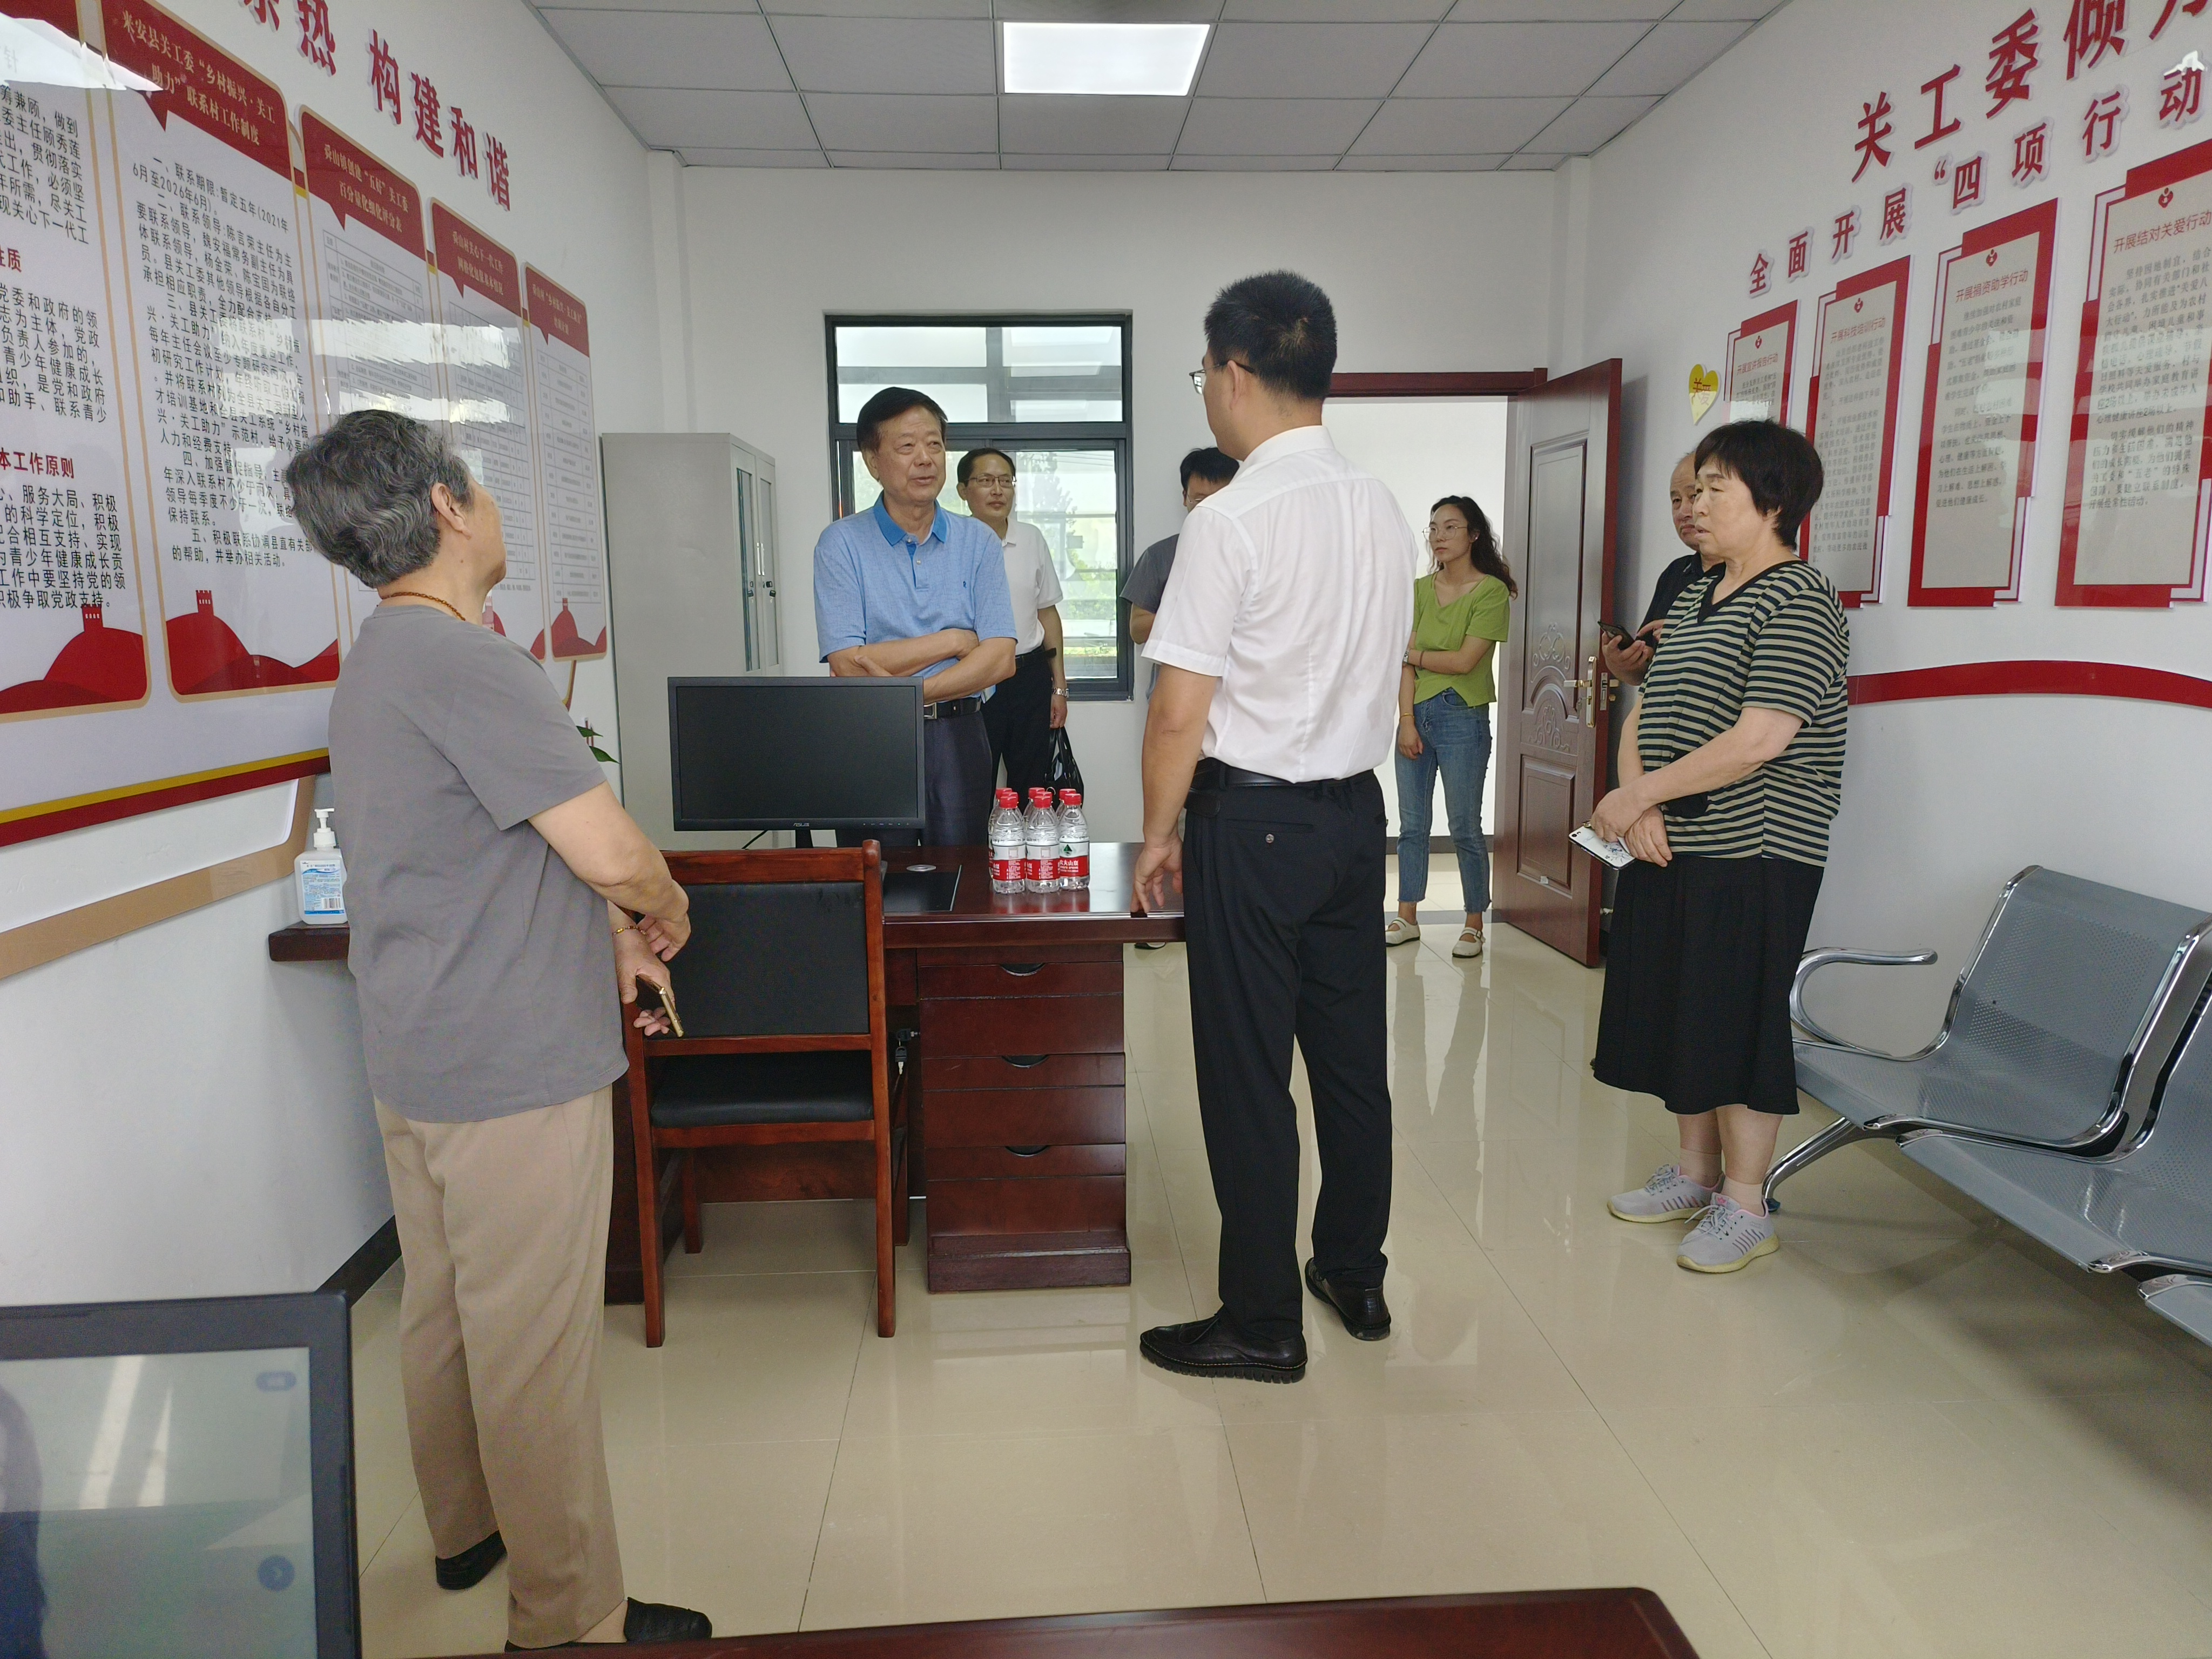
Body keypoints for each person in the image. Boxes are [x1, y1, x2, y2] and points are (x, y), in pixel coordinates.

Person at [287, 411, 710, 1648]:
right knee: (534, 1349)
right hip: (513, 1067)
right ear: (447, 505)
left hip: (418, 1049)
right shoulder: (471, 663)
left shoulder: (381, 657)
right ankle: (568, 1615)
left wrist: (605, 931)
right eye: (481, 486)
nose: (493, 506)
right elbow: (609, 848)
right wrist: (663, 905)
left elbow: (480, 853)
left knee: (445, 1308)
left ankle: (466, 1525)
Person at [1134, 271, 1418, 1382]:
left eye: (1204, 370)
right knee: (1350, 1065)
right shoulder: (1380, 503)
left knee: (1247, 1074)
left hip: (1251, 823)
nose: (1207, 388)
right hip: (1354, 818)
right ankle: (1352, 1272)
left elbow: (1179, 711)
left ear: (1236, 373)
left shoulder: (1230, 518)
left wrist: (1159, 833)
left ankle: (1260, 1320)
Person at [1587, 419, 1846, 1275]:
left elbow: (1761, 738)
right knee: (1680, 1008)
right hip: (1672, 838)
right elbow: (1645, 708)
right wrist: (1637, 802)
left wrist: (1641, 796)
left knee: (1733, 1016)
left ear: (1773, 501)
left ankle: (1745, 1202)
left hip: (1756, 847)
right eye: (1691, 491)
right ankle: (1696, 1175)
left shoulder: (1799, 596)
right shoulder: (1700, 591)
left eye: (1712, 490)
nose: (1693, 505)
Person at [813, 387, 1017, 846]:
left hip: (960, 733)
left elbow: (1001, 658)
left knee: (963, 874)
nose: (925, 459)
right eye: (907, 446)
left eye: (935, 445)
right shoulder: (840, 544)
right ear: (873, 461)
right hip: (872, 736)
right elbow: (848, 663)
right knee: (878, 876)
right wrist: (953, 641)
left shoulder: (979, 542)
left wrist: (907, 693)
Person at [1388, 495, 1515, 961]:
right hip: (1415, 714)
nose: (1439, 537)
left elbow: (1464, 662)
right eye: (1434, 528)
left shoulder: (1491, 592)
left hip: (1463, 716)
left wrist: (1413, 655)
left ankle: (1474, 923)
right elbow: (1404, 667)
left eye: (1450, 527)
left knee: (1464, 825)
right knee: (1412, 825)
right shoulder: (1419, 590)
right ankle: (1406, 915)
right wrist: (1405, 722)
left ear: (1474, 535)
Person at [957, 447, 1067, 798]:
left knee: (1031, 781)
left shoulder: (1031, 538)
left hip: (1029, 675)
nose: (998, 490)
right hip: (974, 677)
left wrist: (1059, 688)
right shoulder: (953, 544)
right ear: (963, 490)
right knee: (973, 782)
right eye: (986, 481)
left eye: (1006, 481)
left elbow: (1047, 612)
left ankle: (1027, 836)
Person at [1122, 446, 1240, 692]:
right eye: (1200, 500)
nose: (1210, 509)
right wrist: (1193, 613)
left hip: (1239, 690)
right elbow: (1137, 630)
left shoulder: (1253, 552)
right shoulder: (1159, 556)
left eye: (1220, 499)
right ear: (1185, 497)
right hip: (1175, 690)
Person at [1602, 451, 1719, 686]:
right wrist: (1620, 664)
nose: (1684, 512)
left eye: (1694, 495)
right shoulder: (1676, 573)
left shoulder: (1750, 576)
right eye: (1676, 501)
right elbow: (1646, 669)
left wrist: (1686, 636)